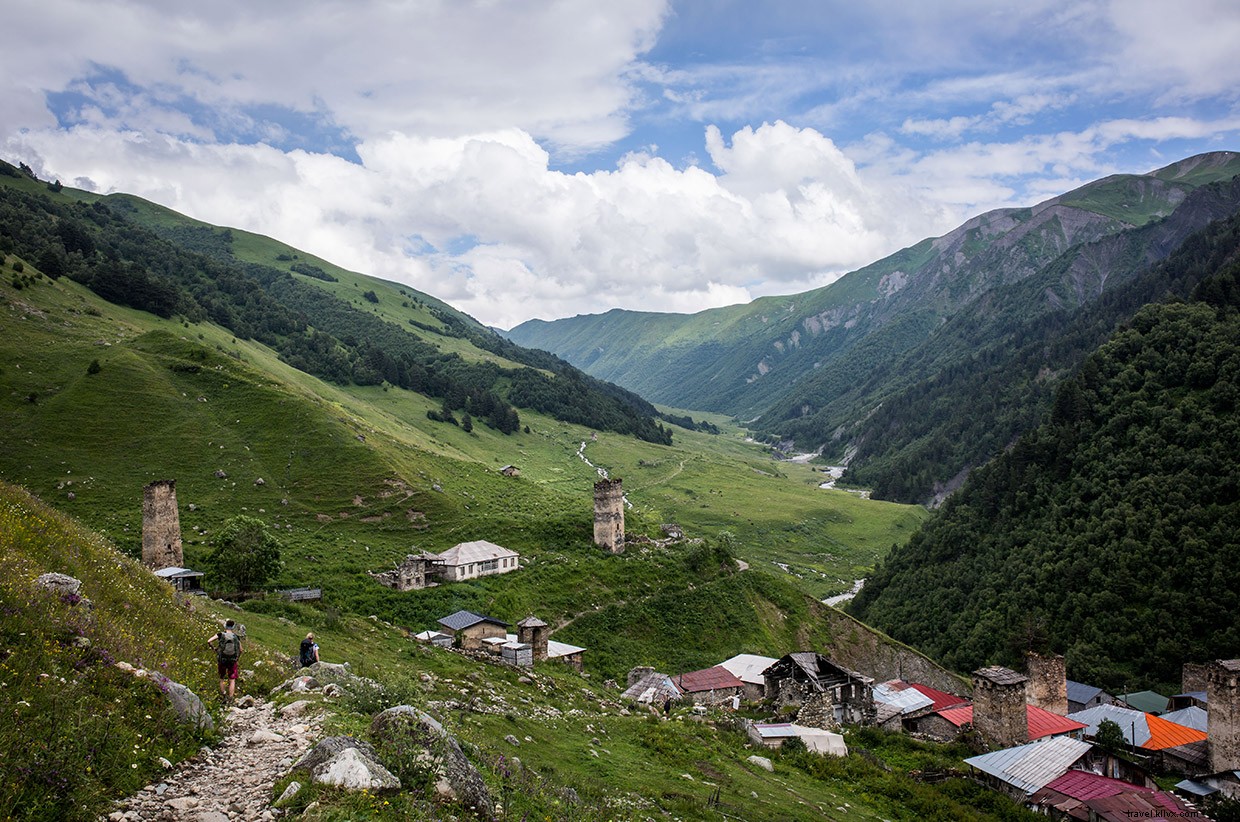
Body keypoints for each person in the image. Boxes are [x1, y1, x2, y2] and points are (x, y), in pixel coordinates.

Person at [207, 618, 243, 701]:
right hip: (232, 660)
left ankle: (223, 695)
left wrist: (214, 648)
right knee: (232, 679)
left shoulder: (220, 634)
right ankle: (230, 698)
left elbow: (209, 641)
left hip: (222, 659)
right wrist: (237, 658)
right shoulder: (236, 637)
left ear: (225, 626)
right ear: (233, 627)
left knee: (222, 678)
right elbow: (241, 650)